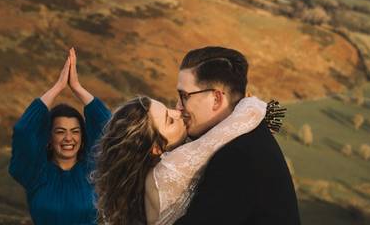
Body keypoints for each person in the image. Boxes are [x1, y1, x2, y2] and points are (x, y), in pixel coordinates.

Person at [92, 93, 268, 225]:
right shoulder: (168, 170)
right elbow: (248, 117)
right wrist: (246, 101)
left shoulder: (144, 177)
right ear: (155, 148)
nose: (178, 113)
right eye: (169, 121)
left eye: (169, 108)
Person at [173, 46, 300, 225]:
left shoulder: (238, 155)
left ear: (216, 99)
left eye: (184, 96)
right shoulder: (247, 136)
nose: (178, 106)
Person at [9, 47, 111, 225]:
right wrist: (58, 87)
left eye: (75, 131)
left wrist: (77, 88)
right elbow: (23, 131)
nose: (68, 138)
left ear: (83, 136)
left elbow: (109, 127)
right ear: (49, 137)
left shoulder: (93, 170)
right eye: (60, 131)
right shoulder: (36, 173)